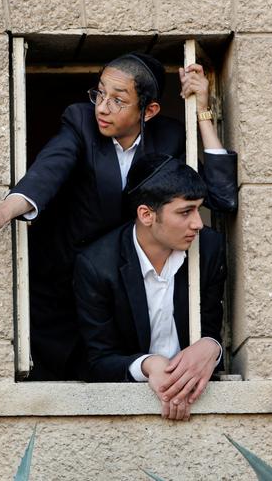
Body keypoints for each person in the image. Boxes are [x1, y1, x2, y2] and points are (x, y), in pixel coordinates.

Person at [0, 53, 237, 381]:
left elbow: (221, 197)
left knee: (130, 365)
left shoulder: (169, 137)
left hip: (129, 280)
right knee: (69, 371)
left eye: (118, 100)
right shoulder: (80, 122)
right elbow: (47, 172)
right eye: (100, 93)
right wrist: (3, 212)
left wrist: (202, 113)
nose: (102, 108)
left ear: (149, 111)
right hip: (64, 283)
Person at [74, 154, 226, 421]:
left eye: (198, 209)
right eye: (185, 212)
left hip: (199, 402)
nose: (198, 223)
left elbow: (210, 327)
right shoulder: (97, 265)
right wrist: (147, 365)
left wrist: (211, 346)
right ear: (146, 215)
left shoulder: (209, 249)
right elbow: (98, 360)